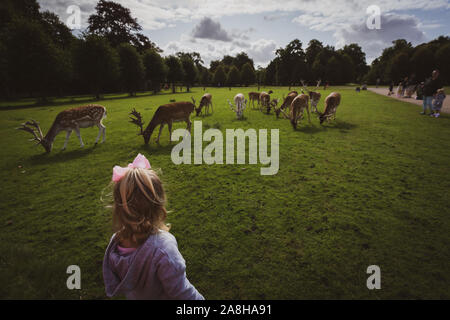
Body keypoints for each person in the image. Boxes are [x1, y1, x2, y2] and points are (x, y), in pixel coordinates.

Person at [103, 154, 204, 300]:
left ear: (118, 208)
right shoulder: (163, 248)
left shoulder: (115, 242)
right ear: (158, 204)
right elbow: (182, 293)